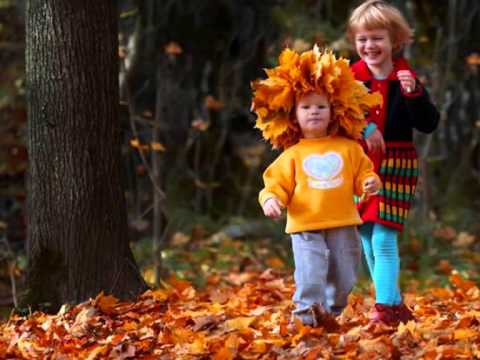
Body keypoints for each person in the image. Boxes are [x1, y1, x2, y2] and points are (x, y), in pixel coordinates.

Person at [251, 46, 382, 328]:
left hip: (344, 223)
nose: (314, 112)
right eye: (306, 107)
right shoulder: (292, 155)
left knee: (345, 275)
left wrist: (370, 182)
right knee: (310, 274)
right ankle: (305, 319)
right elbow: (274, 184)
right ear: (293, 115)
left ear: (334, 112)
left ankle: (332, 314)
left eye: (321, 106)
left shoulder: (348, 148)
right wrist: (270, 199)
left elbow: (364, 172)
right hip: (305, 225)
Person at [347, 0, 440, 326]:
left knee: (384, 237)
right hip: (358, 164)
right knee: (367, 237)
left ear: (394, 40)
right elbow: (335, 115)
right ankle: (395, 305)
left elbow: (428, 123)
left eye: (377, 38)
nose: (369, 46)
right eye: (362, 39)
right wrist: (365, 126)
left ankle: (384, 310)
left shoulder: (407, 78)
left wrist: (414, 95)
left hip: (397, 164)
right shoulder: (348, 79)